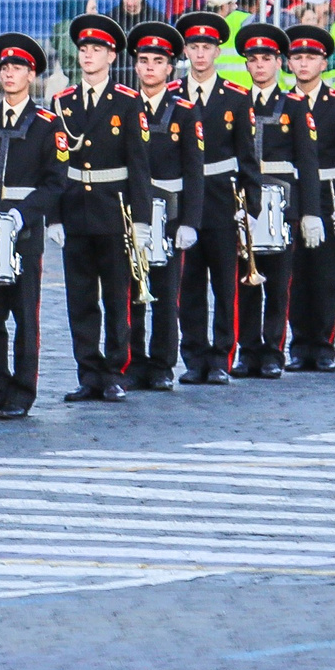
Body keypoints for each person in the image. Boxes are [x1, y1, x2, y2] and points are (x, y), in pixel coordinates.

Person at [49, 13, 144, 403]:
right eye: (84, 49)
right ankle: (88, 372)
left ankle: (115, 370)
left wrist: (142, 220)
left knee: (117, 295)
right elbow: (55, 162)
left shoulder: (127, 101)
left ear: (110, 56)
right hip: (75, 209)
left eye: (96, 50)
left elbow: (139, 165)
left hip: (114, 208)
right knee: (80, 297)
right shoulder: (63, 100)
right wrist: (54, 215)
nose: (88, 56)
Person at [0, 34, 66, 419]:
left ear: (32, 75)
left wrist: (22, 214)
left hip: (23, 233)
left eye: (18, 69)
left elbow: (55, 182)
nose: (9, 74)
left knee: (25, 316)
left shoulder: (46, 125)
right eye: (5, 68)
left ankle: (21, 394)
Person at [232, 20, 316, 378]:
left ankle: (272, 351)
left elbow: (308, 162)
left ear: (279, 63)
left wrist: (310, 211)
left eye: (266, 58)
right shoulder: (235, 102)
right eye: (253, 59)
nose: (260, 66)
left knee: (279, 283)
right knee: (244, 281)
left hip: (282, 202)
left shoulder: (295, 105)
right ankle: (247, 351)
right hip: (244, 200)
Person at [124, 20, 204, 392]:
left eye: (158, 60)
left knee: (165, 293)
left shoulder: (185, 111)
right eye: (143, 60)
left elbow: (194, 170)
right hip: (131, 212)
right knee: (130, 292)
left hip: (170, 213)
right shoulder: (124, 105)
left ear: (171, 68)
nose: (150, 67)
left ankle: (162, 364)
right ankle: (131, 360)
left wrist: (190, 220)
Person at [175, 10, 253, 384]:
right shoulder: (173, 96)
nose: (200, 55)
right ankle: (193, 357)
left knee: (225, 284)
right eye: (194, 47)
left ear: (217, 52)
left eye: (206, 47)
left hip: (222, 199)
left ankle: (221, 356)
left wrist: (249, 208)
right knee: (187, 286)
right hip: (184, 203)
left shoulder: (236, 98)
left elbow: (248, 160)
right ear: (186, 52)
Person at [285, 24, 335, 374]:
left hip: (330, 195)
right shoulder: (281, 102)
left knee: (327, 274)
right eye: (297, 57)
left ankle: (324, 344)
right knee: (297, 276)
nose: (304, 64)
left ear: (323, 63)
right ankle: (300, 345)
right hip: (294, 196)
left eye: (311, 58)